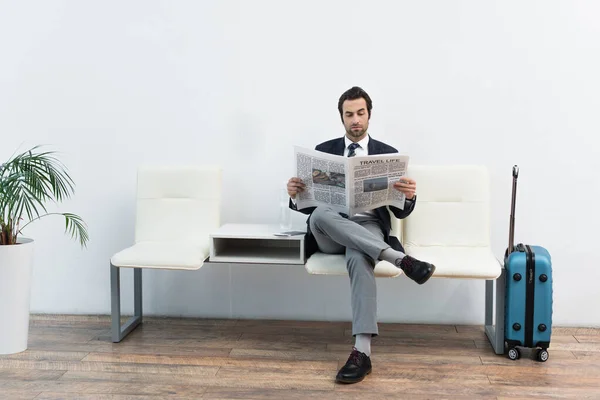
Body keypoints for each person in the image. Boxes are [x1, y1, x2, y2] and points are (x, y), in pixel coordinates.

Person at [287, 86, 436, 384]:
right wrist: (295, 195)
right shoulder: (324, 151)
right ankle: (400, 260)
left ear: (369, 115)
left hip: (369, 227)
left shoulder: (387, 154)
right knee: (320, 213)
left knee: (359, 256)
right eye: (349, 114)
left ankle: (362, 353)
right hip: (329, 227)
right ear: (341, 117)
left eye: (360, 113)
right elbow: (308, 208)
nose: (355, 120)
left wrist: (408, 196)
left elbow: (400, 213)